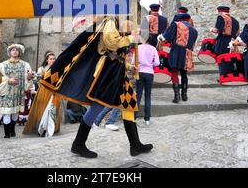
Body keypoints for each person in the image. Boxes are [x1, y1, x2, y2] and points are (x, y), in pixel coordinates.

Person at [40, 16, 153, 158]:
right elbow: (111, 43)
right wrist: (132, 37)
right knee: (97, 107)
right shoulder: (111, 20)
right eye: (129, 25)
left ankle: (135, 145)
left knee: (129, 105)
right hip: (107, 73)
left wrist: (131, 67)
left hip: (118, 73)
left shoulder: (120, 27)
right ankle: (78, 144)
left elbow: (119, 56)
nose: (130, 28)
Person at [0, 44, 34, 139]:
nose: (14, 51)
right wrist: (7, 80)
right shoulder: (2, 65)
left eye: (16, 50)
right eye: (13, 50)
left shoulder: (25, 65)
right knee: (7, 111)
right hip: (6, 92)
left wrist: (29, 77)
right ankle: (7, 133)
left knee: (15, 112)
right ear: (9, 52)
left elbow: (27, 78)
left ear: (19, 52)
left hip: (18, 92)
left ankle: (12, 129)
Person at [159, 13, 198, 103]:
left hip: (176, 51)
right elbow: (192, 45)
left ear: (180, 19)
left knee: (174, 72)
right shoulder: (194, 30)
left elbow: (166, 38)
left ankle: (177, 97)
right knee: (184, 74)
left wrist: (160, 38)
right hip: (187, 53)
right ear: (188, 20)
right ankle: (184, 95)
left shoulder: (176, 25)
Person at [23, 51, 62, 136]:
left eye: (54, 59)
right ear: (47, 60)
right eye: (50, 59)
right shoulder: (42, 69)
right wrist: (32, 75)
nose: (52, 60)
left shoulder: (58, 69)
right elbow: (37, 79)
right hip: (44, 91)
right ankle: (42, 128)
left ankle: (51, 128)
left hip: (54, 92)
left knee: (52, 109)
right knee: (43, 110)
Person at [132, 37, 160, 125]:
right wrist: (150, 64)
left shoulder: (138, 48)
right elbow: (157, 63)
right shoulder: (153, 48)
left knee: (138, 95)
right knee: (148, 95)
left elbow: (133, 62)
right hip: (149, 73)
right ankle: (147, 119)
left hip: (140, 72)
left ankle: (134, 117)